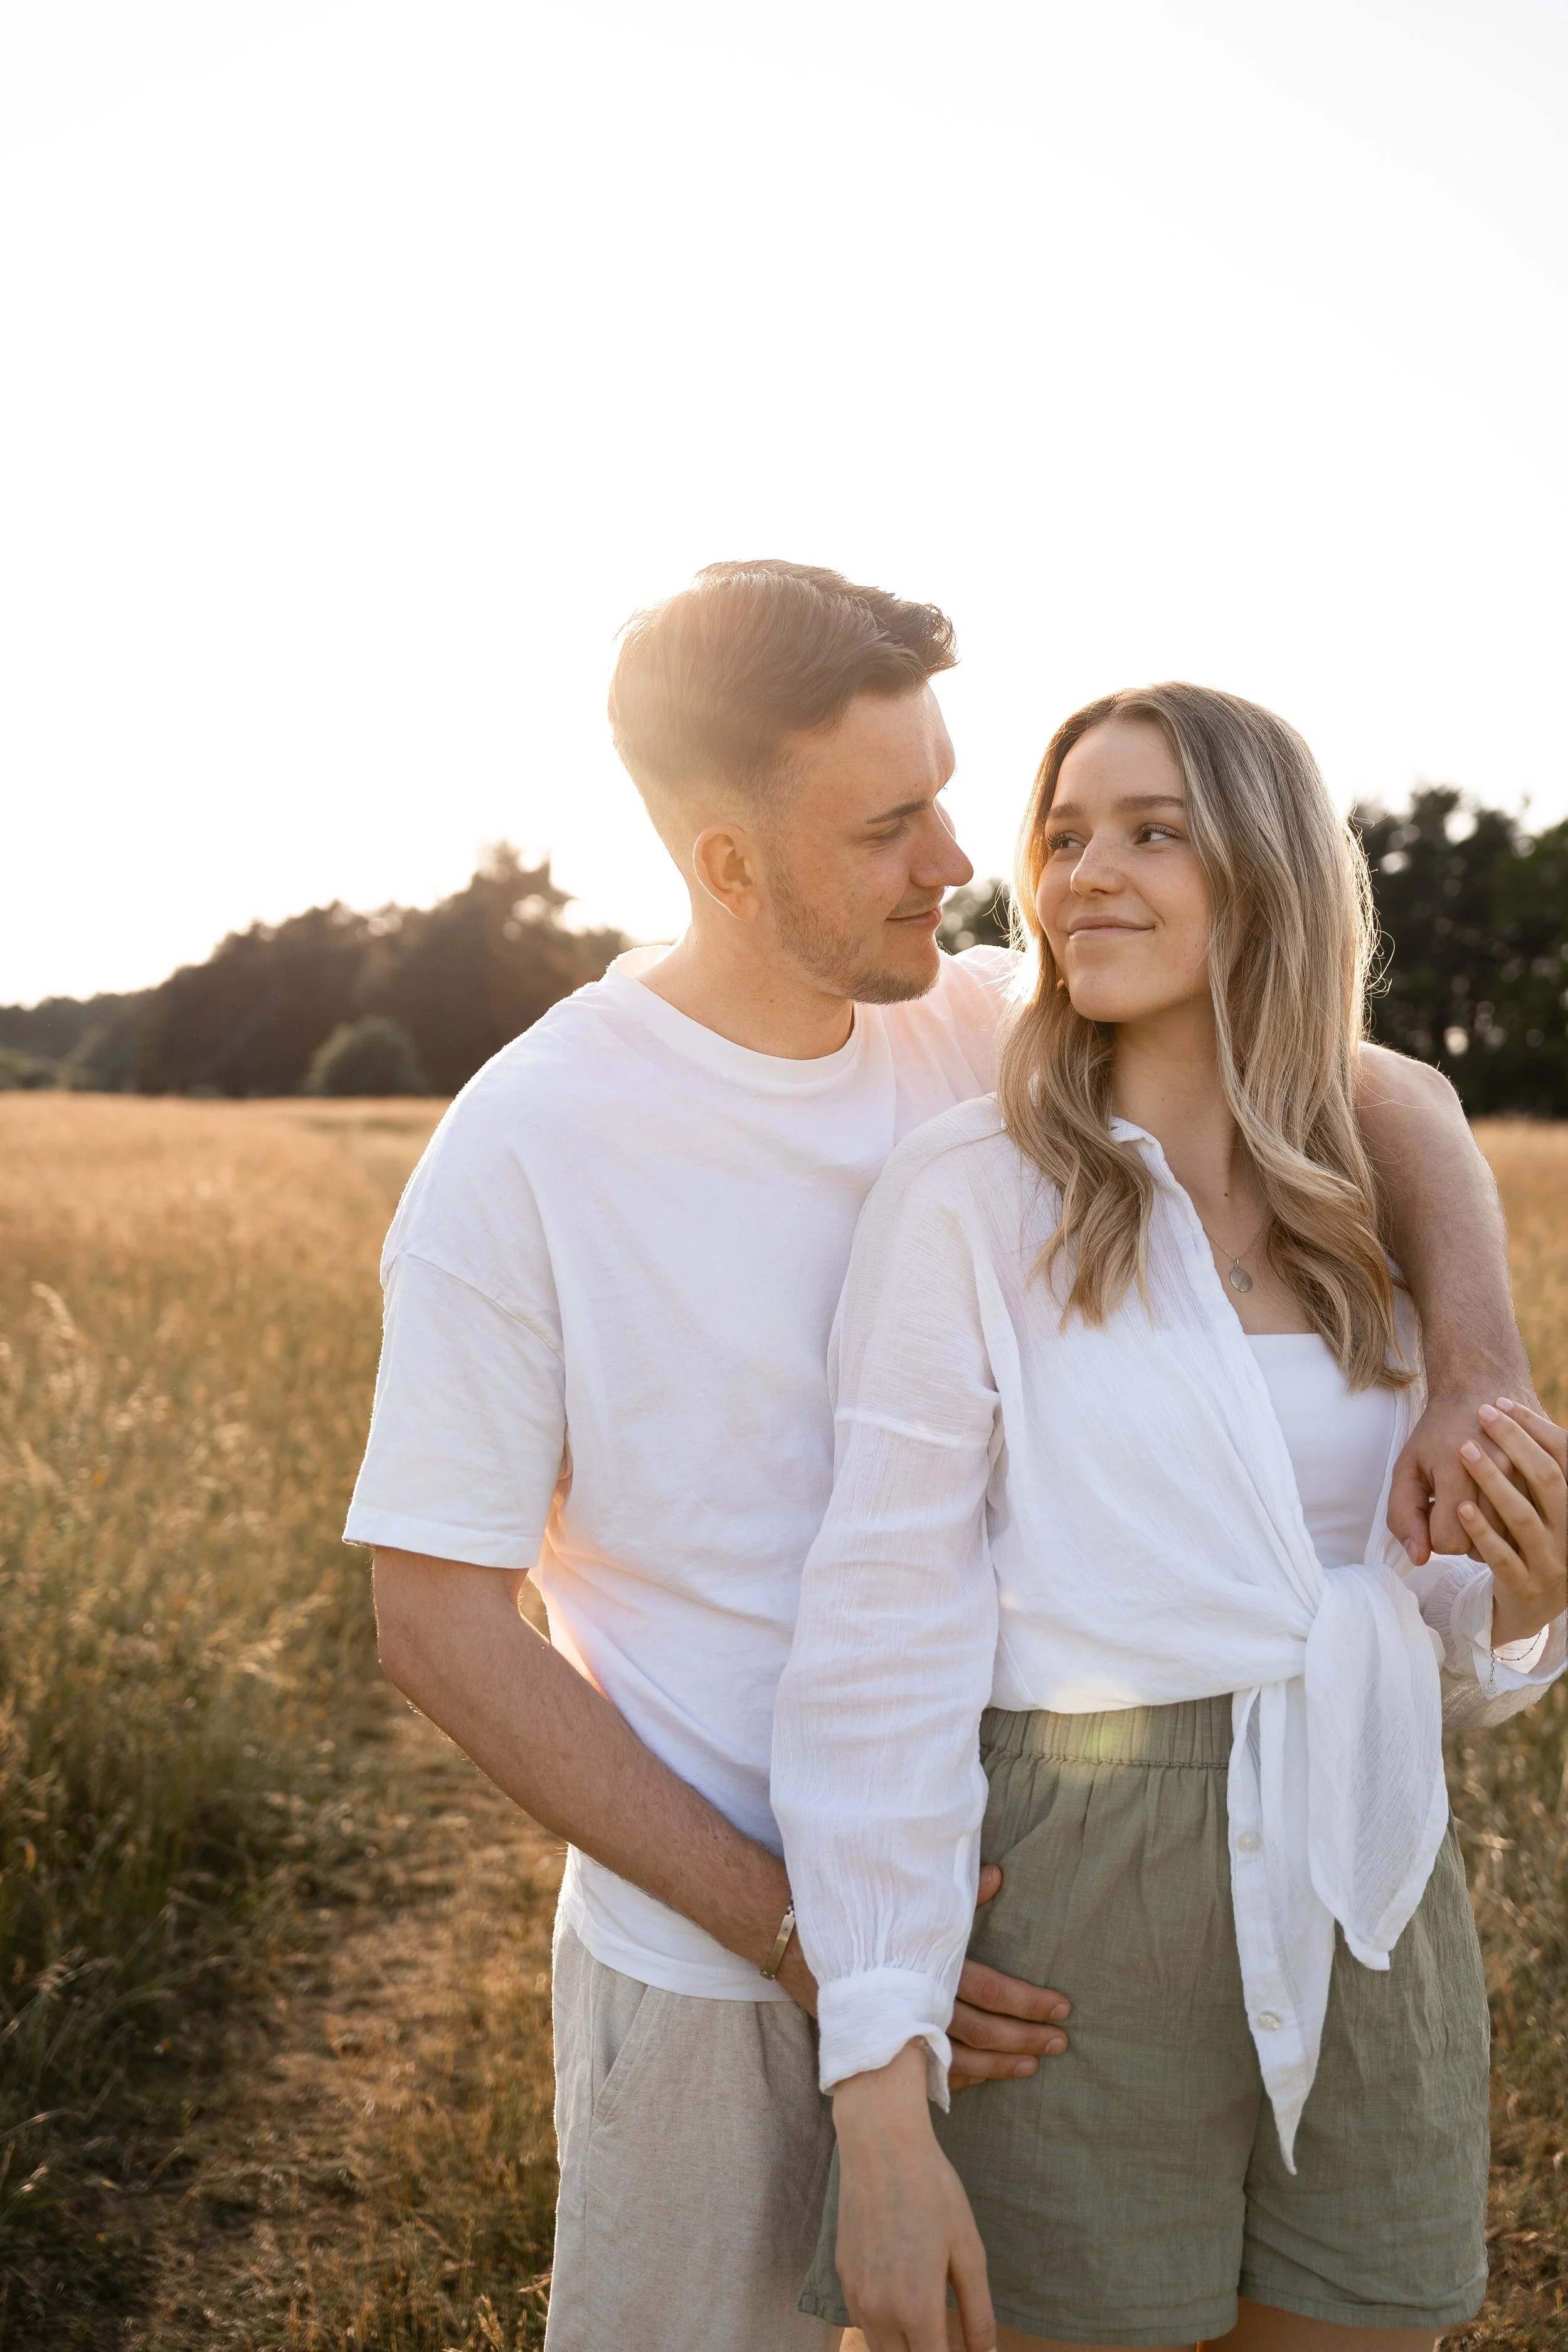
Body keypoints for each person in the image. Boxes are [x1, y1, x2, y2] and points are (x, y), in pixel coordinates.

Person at [345, 572, 1534, 2352]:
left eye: (958, 798)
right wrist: (807, 1939)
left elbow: (1373, 1087)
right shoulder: (528, 1147)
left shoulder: (972, 1016)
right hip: (716, 1929)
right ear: (731, 866)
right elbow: (438, 1624)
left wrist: (1481, 1373)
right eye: (891, 824)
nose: (961, 862)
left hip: (1002, 1880)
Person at [771, 682, 1568, 2352]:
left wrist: (1517, 1608)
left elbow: (1433, 1657)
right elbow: (880, 1648)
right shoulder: (975, 1194)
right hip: (1075, 1914)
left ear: (1269, 871)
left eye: (1152, 831)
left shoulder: (1370, 1208)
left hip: (1369, 1895)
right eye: (1060, 837)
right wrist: (879, 2080)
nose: (1085, 875)